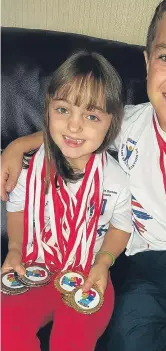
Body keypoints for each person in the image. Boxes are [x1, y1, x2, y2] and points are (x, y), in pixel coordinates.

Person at [1, 0, 166, 351]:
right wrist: (21, 143)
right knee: (127, 335)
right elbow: (79, 135)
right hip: (141, 262)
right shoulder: (126, 122)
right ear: (148, 62)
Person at [1, 51, 132, 351]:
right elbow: (16, 209)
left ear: (111, 125)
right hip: (36, 267)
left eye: (91, 116)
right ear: (47, 110)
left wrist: (103, 263)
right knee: (6, 325)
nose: (74, 127)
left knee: (72, 340)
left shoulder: (116, 179)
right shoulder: (29, 169)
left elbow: (121, 227)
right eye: (63, 110)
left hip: (89, 274)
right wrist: (14, 249)